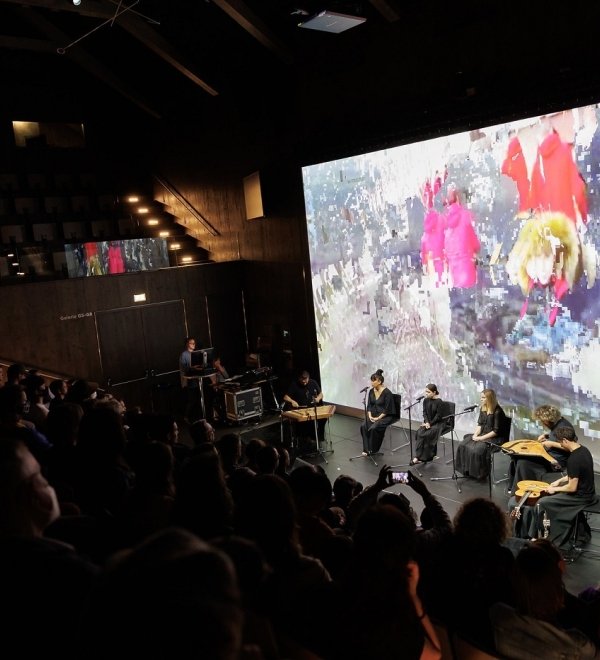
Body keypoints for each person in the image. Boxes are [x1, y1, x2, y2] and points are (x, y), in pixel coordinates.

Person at [521, 427, 597, 550]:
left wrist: (555, 490)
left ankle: (542, 537)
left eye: (561, 442)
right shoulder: (584, 450)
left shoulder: (573, 459)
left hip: (581, 497)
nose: (560, 445)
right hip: (588, 492)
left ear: (565, 440)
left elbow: (572, 488)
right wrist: (558, 481)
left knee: (542, 502)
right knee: (549, 495)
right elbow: (574, 475)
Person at [507, 405, 573, 493]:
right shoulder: (556, 424)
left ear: (548, 419)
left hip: (555, 461)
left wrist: (551, 443)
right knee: (517, 457)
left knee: (523, 462)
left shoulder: (564, 426)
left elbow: (571, 447)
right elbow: (557, 437)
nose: (543, 423)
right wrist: (547, 436)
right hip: (547, 455)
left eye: (543, 421)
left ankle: (521, 491)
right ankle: (514, 487)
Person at [455, 389, 509, 480]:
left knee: (477, 449)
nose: (481, 399)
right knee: (462, 445)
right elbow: (480, 424)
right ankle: (467, 470)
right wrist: (475, 435)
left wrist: (481, 438)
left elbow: (496, 432)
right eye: (481, 397)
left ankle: (479, 474)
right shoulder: (483, 408)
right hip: (483, 434)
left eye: (483, 398)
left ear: (489, 399)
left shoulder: (498, 411)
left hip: (496, 437)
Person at [359, 369, 395, 456]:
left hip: (385, 416)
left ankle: (373, 449)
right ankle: (366, 449)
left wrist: (378, 418)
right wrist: (370, 416)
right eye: (371, 380)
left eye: (373, 381)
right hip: (373, 415)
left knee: (374, 428)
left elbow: (387, 409)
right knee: (364, 426)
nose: (371, 383)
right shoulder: (371, 391)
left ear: (379, 381)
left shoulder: (387, 393)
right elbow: (369, 406)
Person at [284, 370, 326, 443]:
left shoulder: (313, 382)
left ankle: (319, 437)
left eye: (305, 379)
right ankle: (308, 437)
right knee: (307, 421)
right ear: (299, 378)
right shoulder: (294, 385)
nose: (304, 381)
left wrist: (318, 399)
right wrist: (292, 401)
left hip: (312, 408)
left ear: (308, 378)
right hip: (301, 409)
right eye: (302, 379)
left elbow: (321, 394)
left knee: (324, 418)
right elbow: (285, 397)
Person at [412, 383, 443, 464]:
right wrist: (426, 422)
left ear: (434, 392)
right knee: (419, 432)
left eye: (428, 392)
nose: (426, 393)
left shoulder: (439, 402)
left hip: (437, 423)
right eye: (426, 391)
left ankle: (426, 457)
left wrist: (430, 423)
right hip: (428, 422)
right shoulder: (425, 400)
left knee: (427, 434)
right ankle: (418, 456)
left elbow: (438, 416)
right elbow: (424, 413)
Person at [179, 336, 201, 422]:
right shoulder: (184, 355)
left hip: (197, 379)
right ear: (187, 344)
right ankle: (186, 416)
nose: (194, 345)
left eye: (194, 343)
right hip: (189, 380)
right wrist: (193, 368)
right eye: (192, 343)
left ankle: (197, 416)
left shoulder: (196, 353)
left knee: (198, 399)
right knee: (191, 400)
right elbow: (184, 368)